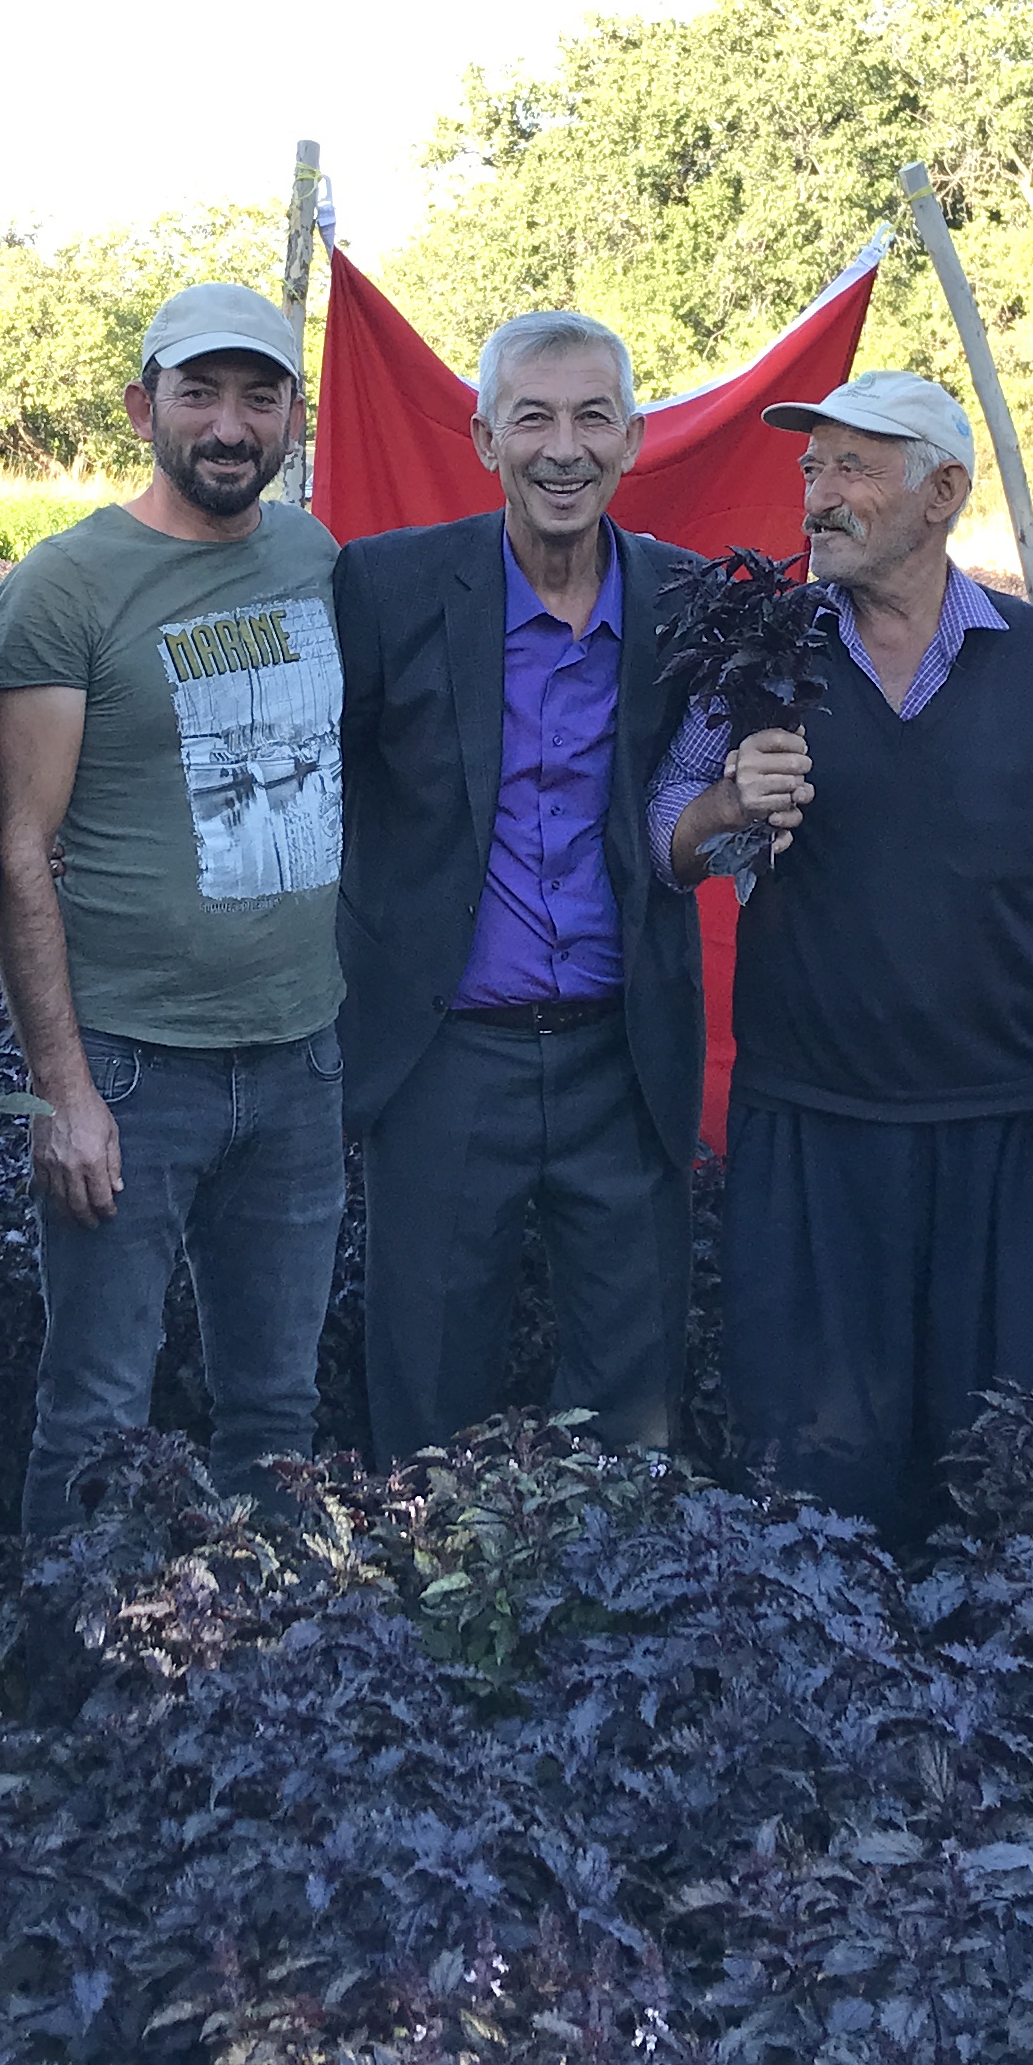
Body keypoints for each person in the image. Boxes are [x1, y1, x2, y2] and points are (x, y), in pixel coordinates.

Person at [648, 371, 1033, 1541]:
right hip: (811, 1134)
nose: (818, 498)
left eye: (853, 469)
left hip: (1013, 1134)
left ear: (942, 492)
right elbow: (661, 837)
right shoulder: (756, 658)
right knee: (813, 1481)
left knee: (1011, 1479)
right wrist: (724, 804)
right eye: (810, 471)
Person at [0, 282, 345, 1537]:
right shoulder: (69, 585)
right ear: (146, 404)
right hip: (135, 1069)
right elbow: (19, 853)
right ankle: (71, 1684)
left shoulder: (314, 555)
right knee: (94, 1410)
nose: (231, 424)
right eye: (200, 392)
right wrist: (63, 1088)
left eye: (261, 395)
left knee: (278, 1410)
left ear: (295, 415)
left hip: (302, 1060)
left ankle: (273, 1681)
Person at [332, 310, 704, 1458]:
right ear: (484, 434)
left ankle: (617, 1618)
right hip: (446, 1057)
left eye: (594, 417)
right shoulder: (386, 588)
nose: (563, 447)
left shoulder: (688, 603)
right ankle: (428, 1622)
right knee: (430, 1389)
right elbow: (314, 785)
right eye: (532, 417)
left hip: (621, 1053)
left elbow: (709, 818)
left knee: (633, 1394)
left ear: (634, 440)